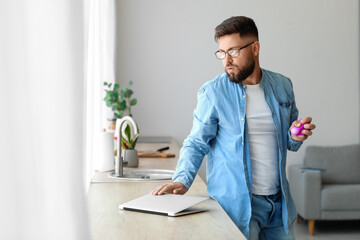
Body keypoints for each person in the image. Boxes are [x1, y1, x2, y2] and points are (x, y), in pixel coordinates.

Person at [152, 16, 316, 240]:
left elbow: (289, 142)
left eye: (234, 51)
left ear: (255, 48)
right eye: (222, 52)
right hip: (237, 209)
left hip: (280, 206)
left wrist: (296, 135)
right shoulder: (213, 93)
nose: (226, 60)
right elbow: (196, 142)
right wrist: (182, 179)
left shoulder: (282, 86)